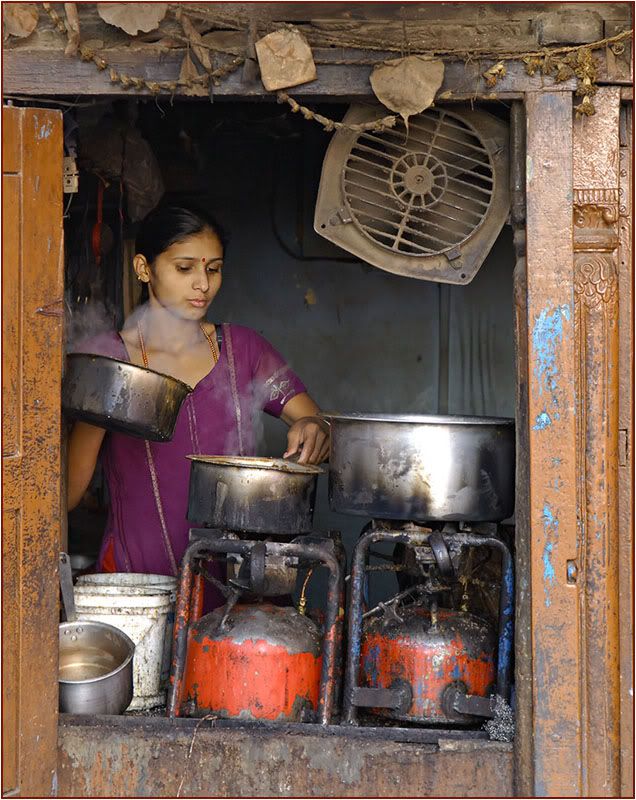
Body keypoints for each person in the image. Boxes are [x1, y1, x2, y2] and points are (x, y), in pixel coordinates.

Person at [67, 204, 330, 595]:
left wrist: (315, 427)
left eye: (213, 269)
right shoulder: (109, 360)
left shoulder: (244, 349)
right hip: (135, 585)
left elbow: (315, 422)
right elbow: (66, 492)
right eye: (184, 268)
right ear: (144, 268)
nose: (202, 285)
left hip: (238, 586)